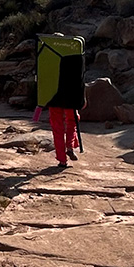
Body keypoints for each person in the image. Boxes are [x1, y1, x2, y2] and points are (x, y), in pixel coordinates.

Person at [34, 33, 84, 170]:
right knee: (72, 120)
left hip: (53, 97)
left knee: (57, 128)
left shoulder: (45, 55)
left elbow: (42, 78)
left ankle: (62, 160)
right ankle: (69, 145)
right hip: (70, 96)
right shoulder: (73, 53)